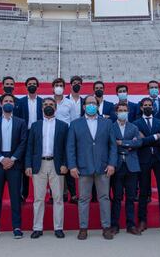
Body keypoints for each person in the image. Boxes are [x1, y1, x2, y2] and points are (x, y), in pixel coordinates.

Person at [67, 95, 117, 240]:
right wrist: (72, 166)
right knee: (83, 199)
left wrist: (112, 163)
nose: (91, 105)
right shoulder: (75, 124)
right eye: (88, 103)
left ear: (97, 105)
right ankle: (83, 228)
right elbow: (70, 147)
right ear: (83, 107)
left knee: (104, 198)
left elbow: (112, 146)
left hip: (103, 168)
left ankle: (106, 227)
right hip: (83, 168)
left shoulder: (107, 123)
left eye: (94, 103)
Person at [25, 98, 69, 239]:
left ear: (55, 108)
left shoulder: (63, 126)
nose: (48, 107)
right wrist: (28, 165)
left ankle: (58, 228)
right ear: (41, 108)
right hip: (39, 165)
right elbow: (29, 147)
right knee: (38, 198)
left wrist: (65, 164)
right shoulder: (35, 125)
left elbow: (67, 148)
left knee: (58, 198)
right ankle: (37, 228)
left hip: (57, 165)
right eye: (45, 105)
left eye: (51, 105)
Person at [0, 93, 28, 240]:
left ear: (14, 105)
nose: (8, 103)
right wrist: (2, 159)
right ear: (1, 104)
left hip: (14, 162)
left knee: (15, 197)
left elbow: (23, 142)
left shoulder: (21, 122)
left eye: (11, 101)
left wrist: (12, 159)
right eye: (6, 101)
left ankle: (17, 227)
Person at [133, 97, 160, 233]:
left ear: (153, 107)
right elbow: (139, 142)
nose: (148, 107)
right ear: (142, 108)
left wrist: (147, 139)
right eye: (145, 105)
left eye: (150, 105)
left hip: (159, 159)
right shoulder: (136, 123)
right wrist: (155, 137)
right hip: (143, 159)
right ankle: (142, 221)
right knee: (143, 191)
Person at [110, 102, 142, 235]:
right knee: (117, 197)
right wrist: (130, 143)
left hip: (132, 166)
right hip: (117, 166)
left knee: (130, 197)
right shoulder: (111, 127)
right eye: (120, 110)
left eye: (125, 110)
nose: (123, 112)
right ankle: (115, 225)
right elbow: (111, 144)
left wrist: (122, 142)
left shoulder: (134, 127)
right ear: (116, 112)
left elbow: (139, 142)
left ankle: (131, 225)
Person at [18, 77, 43, 201]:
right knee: (24, 163)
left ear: (37, 87)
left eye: (34, 84)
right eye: (30, 84)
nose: (32, 85)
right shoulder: (20, 102)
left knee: (40, 160)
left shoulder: (43, 102)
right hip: (25, 134)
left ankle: (42, 193)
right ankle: (24, 193)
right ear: (26, 86)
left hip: (39, 133)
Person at [64, 75, 84, 204]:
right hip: (68, 136)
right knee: (68, 164)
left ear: (81, 86)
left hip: (82, 137)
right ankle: (71, 193)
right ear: (70, 85)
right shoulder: (64, 101)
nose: (76, 84)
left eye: (78, 83)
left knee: (82, 164)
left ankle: (83, 193)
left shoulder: (85, 102)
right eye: (74, 83)